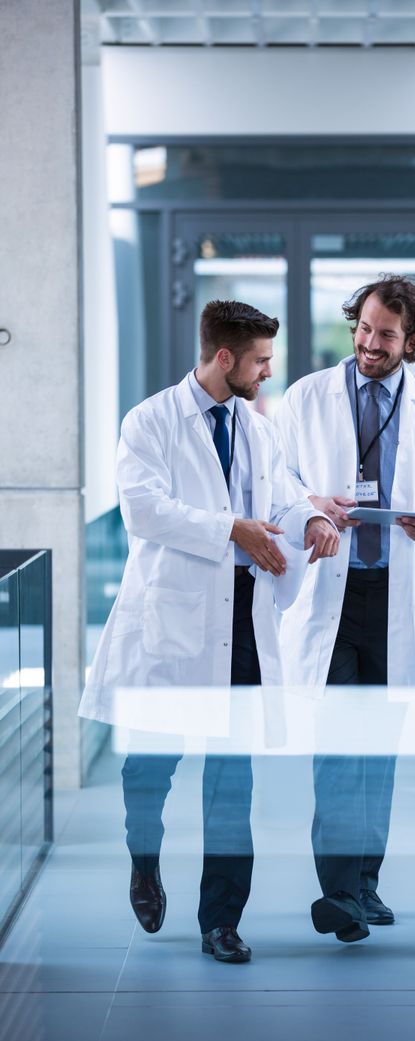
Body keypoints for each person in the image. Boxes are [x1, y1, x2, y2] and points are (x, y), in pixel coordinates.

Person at [79, 300, 337, 963]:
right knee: (149, 771)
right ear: (225, 359)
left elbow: (281, 494)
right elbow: (143, 510)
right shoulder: (151, 422)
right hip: (173, 623)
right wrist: (232, 530)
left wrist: (309, 519)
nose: (268, 372)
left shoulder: (258, 428)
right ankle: (144, 861)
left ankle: (220, 921)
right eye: (260, 360)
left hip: (243, 626)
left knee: (231, 782)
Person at [274, 274, 415, 942]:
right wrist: (311, 508)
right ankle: (342, 893)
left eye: (386, 335)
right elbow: (280, 479)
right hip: (333, 588)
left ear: (412, 340)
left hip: (395, 593)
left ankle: (365, 885)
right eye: (364, 329)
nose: (370, 344)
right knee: (336, 745)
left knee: (379, 745)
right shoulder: (306, 396)